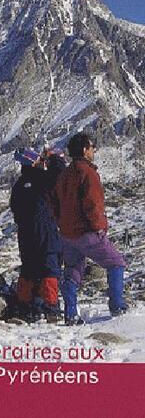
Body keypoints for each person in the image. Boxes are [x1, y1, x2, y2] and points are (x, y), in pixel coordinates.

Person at [53, 132, 127, 324]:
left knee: (72, 271)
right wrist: (99, 227)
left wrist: (62, 223)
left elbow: (54, 203)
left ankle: (70, 314)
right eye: (92, 146)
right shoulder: (88, 173)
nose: (94, 149)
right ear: (85, 150)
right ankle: (118, 306)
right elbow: (93, 204)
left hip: (67, 234)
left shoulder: (64, 174)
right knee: (116, 263)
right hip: (87, 232)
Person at [10, 148, 66, 322]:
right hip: (45, 231)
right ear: (34, 162)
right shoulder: (41, 179)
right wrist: (55, 158)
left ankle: (25, 307)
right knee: (49, 267)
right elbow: (59, 176)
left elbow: (15, 210)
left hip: (25, 234)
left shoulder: (19, 186)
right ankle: (51, 308)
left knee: (28, 269)